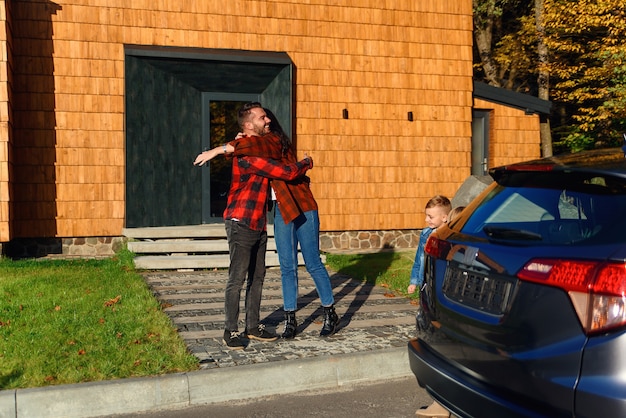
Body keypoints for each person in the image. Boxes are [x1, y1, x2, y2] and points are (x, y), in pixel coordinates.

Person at [197, 109, 339, 339]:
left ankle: (329, 312)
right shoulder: (251, 147)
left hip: (302, 204)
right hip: (282, 208)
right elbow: (249, 154)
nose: (269, 120)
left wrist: (221, 148)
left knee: (313, 263)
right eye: (263, 118)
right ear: (251, 125)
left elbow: (277, 163)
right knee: (287, 266)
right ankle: (290, 319)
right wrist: (231, 146)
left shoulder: (274, 141)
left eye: (267, 117)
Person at [407, 195, 452, 295]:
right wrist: (414, 282)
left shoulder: (450, 237)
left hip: (442, 284)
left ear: (444, 217)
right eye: (426, 215)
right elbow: (418, 259)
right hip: (425, 282)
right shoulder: (425, 234)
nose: (426, 219)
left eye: (430, 217)